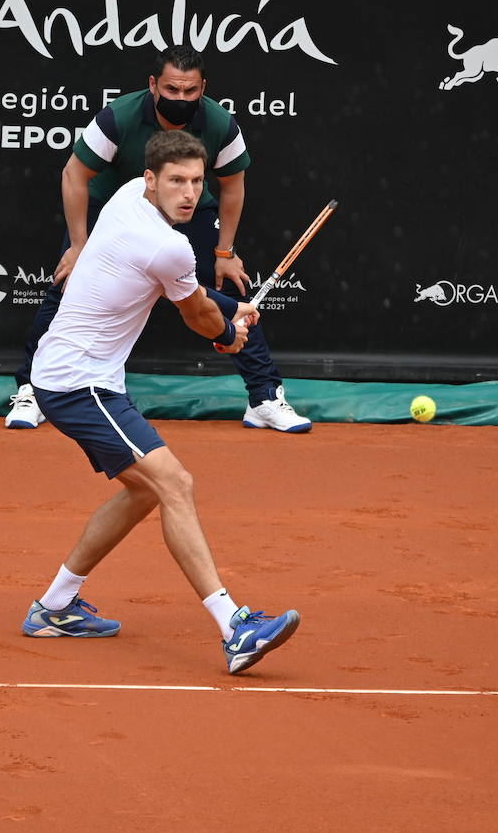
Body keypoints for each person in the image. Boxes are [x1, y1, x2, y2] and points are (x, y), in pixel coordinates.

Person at [19, 130, 300, 675]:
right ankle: (234, 626)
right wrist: (228, 333)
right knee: (175, 483)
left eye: (197, 182)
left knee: (144, 493)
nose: (189, 192)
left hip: (74, 375)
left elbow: (192, 294)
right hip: (80, 383)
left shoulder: (127, 197)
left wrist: (228, 309)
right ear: (151, 179)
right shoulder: (167, 245)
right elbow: (195, 313)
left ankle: (53, 606)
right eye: (177, 180)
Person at [5, 45, 310, 434]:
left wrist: (225, 252)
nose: (180, 99)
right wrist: (79, 245)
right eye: (171, 90)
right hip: (116, 206)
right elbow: (74, 174)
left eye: (190, 92)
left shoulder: (221, 124)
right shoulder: (118, 117)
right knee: (68, 283)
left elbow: (233, 188)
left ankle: (263, 397)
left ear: (203, 89)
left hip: (189, 207)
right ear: (153, 85)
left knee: (230, 286)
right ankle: (33, 388)